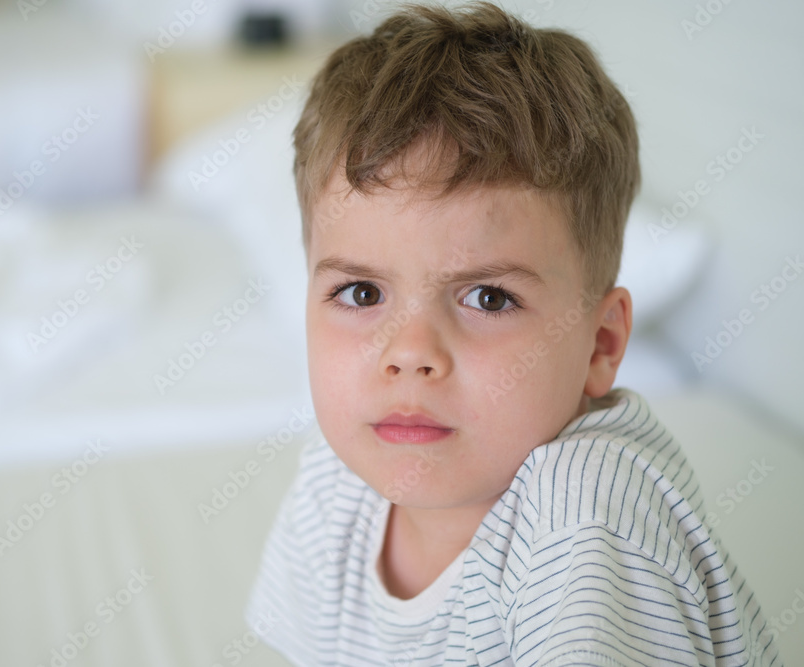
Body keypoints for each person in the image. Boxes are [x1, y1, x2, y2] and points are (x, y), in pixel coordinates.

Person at [244, 3, 783, 665]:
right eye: (362, 293)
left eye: (488, 297)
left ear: (601, 345)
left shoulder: (584, 528)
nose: (410, 353)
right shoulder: (336, 483)